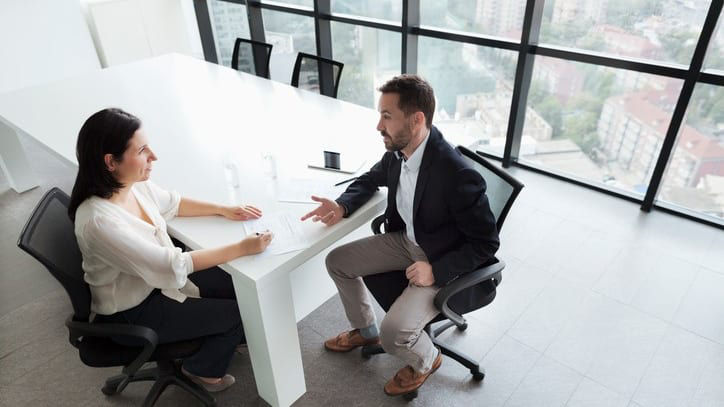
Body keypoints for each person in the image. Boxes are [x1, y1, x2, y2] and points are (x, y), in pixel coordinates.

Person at [301, 75, 499, 396]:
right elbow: (370, 179)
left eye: (387, 116)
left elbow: (486, 244)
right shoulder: (398, 150)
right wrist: (341, 205)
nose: (379, 125)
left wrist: (436, 270)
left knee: (393, 335)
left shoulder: (457, 174)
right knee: (338, 261)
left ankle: (427, 359)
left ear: (417, 119)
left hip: (441, 258)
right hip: (407, 240)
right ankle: (365, 331)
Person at [68, 108, 273, 393]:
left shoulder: (132, 185)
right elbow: (171, 266)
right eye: (142, 150)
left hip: (155, 284)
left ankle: (218, 337)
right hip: (134, 311)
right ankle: (200, 369)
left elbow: (172, 203)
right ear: (111, 161)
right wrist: (242, 247)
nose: (153, 156)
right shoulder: (100, 221)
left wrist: (224, 209)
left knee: (235, 283)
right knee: (242, 312)